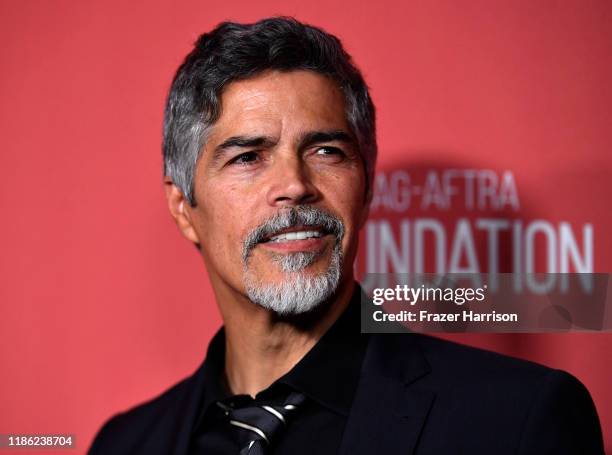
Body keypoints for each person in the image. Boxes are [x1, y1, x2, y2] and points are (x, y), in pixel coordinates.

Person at [89, 17, 604, 454]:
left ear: (367, 187)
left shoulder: (518, 422)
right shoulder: (126, 443)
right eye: (248, 157)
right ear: (184, 209)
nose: (293, 185)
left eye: (326, 152)